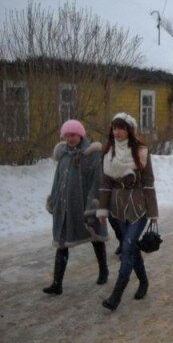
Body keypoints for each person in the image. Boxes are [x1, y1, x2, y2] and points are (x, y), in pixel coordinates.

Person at [97, 113, 159, 311]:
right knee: (130, 248)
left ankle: (116, 296)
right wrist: (102, 210)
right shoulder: (108, 153)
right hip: (116, 210)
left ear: (129, 130)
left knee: (127, 248)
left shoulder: (140, 151)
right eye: (115, 127)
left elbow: (148, 182)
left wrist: (153, 211)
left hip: (138, 207)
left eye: (121, 128)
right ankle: (143, 281)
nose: (117, 132)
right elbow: (105, 185)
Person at [43, 119, 108, 295]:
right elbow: (58, 180)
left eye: (73, 135)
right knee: (62, 242)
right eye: (67, 135)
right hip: (65, 207)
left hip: (83, 205)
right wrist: (54, 199)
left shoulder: (91, 154)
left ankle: (104, 270)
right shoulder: (63, 154)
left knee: (96, 236)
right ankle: (57, 284)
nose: (70, 138)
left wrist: (92, 206)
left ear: (80, 135)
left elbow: (96, 181)